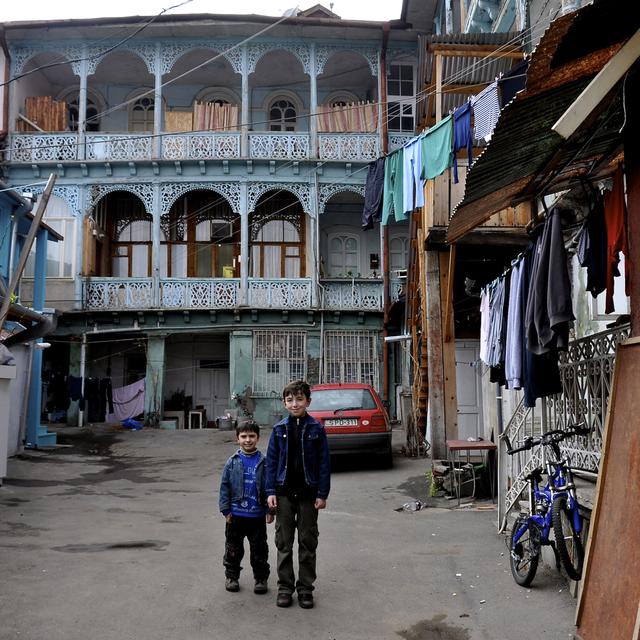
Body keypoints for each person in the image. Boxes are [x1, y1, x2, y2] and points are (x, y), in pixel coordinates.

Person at [266, 380, 331, 609]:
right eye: (290, 400)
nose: (295, 404)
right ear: (284, 403)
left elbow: (324, 463)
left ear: (308, 402)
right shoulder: (278, 430)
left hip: (308, 494)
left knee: (307, 541)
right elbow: (271, 463)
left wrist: (322, 493)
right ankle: (285, 588)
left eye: (299, 399)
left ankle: (305, 589)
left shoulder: (316, 429)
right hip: (283, 494)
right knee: (284, 542)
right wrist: (270, 492)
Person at [219, 420, 273, 594]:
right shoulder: (232, 462)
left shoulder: (264, 462)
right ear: (237, 438)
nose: (247, 440)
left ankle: (260, 579)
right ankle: (232, 577)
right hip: (235, 516)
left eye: (251, 436)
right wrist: (226, 510)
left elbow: (270, 487)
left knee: (259, 550)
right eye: (243, 436)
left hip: (257, 517)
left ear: (257, 438)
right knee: (233, 549)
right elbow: (225, 486)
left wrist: (270, 510)